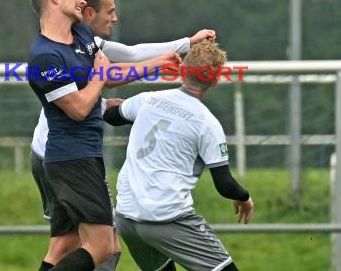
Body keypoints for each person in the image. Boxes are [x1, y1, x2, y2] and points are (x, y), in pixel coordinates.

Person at [29, 0, 216, 271]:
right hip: (70, 157)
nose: (81, 1)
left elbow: (112, 71)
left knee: (65, 245)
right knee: (105, 247)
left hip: (78, 154)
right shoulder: (45, 56)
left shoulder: (78, 36)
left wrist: (156, 64)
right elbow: (79, 107)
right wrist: (100, 76)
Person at [103, 40, 254, 271]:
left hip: (127, 216)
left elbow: (112, 115)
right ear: (214, 82)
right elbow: (224, 184)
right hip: (166, 218)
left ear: (182, 71)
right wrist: (244, 197)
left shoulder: (148, 99)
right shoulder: (207, 123)